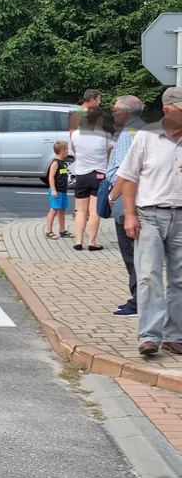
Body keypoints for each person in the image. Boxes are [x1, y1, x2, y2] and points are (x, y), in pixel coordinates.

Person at [118, 86, 182, 356]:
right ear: (168, 110)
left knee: (179, 280)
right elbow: (129, 177)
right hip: (149, 215)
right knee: (148, 276)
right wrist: (130, 215)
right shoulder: (146, 137)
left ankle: (175, 335)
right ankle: (149, 337)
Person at [105, 95, 147, 315]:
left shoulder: (131, 134)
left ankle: (139, 302)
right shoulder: (142, 129)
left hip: (126, 202)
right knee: (134, 255)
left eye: (114, 111)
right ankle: (137, 298)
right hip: (135, 200)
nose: (112, 114)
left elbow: (125, 172)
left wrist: (112, 197)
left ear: (124, 113)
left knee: (131, 254)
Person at [70, 106, 113, 250]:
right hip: (99, 175)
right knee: (94, 210)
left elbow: (75, 150)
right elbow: (109, 154)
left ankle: (78, 241)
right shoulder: (106, 136)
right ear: (99, 119)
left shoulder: (76, 134)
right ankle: (92, 242)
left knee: (81, 210)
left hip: (82, 174)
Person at [45, 141, 71, 239]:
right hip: (57, 191)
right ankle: (49, 231)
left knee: (62, 210)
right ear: (62, 150)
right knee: (53, 210)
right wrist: (53, 190)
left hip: (63, 190)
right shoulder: (55, 163)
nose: (68, 151)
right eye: (67, 149)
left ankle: (62, 230)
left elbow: (63, 173)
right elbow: (51, 177)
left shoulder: (63, 162)